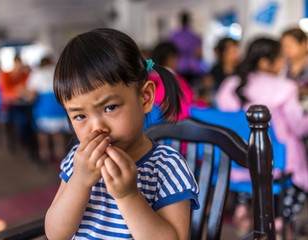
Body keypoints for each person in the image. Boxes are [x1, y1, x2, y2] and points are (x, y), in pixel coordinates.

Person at [45, 28, 199, 240]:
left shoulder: (167, 166)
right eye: (80, 116)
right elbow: (55, 235)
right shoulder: (77, 160)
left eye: (110, 107)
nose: (97, 128)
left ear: (145, 97)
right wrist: (80, 181)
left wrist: (128, 196)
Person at [216, 37, 308, 235]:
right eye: (280, 58)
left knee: (252, 162)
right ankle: (279, 220)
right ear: (266, 62)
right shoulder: (284, 88)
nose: (284, 62)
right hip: (277, 164)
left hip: (237, 163)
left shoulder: (229, 84)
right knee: (298, 173)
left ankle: (245, 206)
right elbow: (300, 128)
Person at [23, 56, 70, 162]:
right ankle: (60, 154)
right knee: (58, 132)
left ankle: (45, 153)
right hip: (60, 108)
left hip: (45, 109)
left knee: (42, 131)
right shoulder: (59, 71)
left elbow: (31, 96)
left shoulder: (37, 74)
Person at [149, 41, 200, 119]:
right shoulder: (176, 81)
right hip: (175, 127)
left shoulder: (148, 80)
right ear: (170, 58)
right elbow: (182, 111)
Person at [170, 11, 204, 86]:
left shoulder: (174, 35)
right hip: (192, 68)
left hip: (178, 67)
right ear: (189, 21)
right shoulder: (194, 35)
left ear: (180, 21)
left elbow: (171, 51)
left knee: (180, 88)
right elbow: (198, 52)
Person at [281, 27, 308, 99]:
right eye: (283, 46)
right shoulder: (280, 65)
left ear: (304, 44)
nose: (286, 49)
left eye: (289, 46)